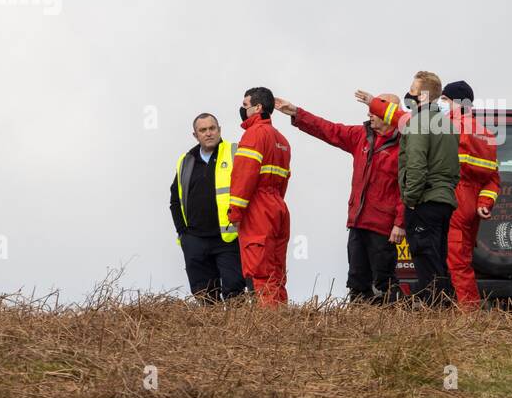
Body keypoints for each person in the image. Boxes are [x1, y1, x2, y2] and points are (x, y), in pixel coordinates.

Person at [273, 94, 405, 303]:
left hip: (383, 228)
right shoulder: (361, 135)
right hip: (357, 222)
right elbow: (329, 129)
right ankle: (358, 326)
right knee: (356, 281)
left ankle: (391, 327)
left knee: (385, 282)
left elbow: (405, 190)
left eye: (375, 110)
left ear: (391, 114)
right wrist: (297, 114)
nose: (369, 113)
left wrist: (399, 223)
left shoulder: (405, 146)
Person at [356, 71, 459, 304]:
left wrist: (410, 201)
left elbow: (416, 165)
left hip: (424, 201)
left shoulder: (418, 123)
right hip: (444, 200)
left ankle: (434, 309)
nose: (408, 94)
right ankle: (443, 306)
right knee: (439, 258)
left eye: (412, 91)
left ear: (422, 95)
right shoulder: (447, 124)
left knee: (425, 259)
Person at [169, 112, 245, 302]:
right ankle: (213, 333)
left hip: (228, 239)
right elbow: (175, 200)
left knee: (235, 293)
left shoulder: (236, 152)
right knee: (205, 298)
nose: (208, 133)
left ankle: (237, 332)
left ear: (219, 130)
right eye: (203, 130)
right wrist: (183, 234)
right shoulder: (186, 161)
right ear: (195, 135)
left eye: (212, 128)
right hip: (195, 241)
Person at [227, 87, 292, 306]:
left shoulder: (253, 134)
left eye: (245, 105)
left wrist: (235, 213)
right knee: (276, 272)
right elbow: (284, 179)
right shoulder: (282, 140)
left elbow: (244, 176)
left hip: (258, 210)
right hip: (278, 207)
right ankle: (282, 323)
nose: (242, 110)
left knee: (260, 273)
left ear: (258, 107)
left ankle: (269, 330)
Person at [440, 81, 499, 308]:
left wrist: (375, 104)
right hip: (470, 205)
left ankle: (469, 314)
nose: (441, 105)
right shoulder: (485, 134)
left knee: (456, 263)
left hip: (452, 199)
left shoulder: (449, 127)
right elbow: (493, 178)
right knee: (461, 260)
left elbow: (406, 123)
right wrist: (484, 202)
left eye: (445, 100)